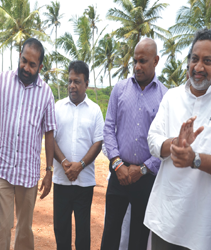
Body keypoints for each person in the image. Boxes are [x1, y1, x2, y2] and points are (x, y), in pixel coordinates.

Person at [0, 38, 57, 250]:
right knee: (0, 231)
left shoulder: (46, 93)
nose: (26, 67)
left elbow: (49, 133)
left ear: (40, 66)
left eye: (32, 64)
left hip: (28, 175)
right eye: (24, 61)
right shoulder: (2, 81)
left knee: (24, 232)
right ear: (20, 56)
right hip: (1, 172)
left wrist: (49, 171)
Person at [144, 28, 211, 250]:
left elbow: (195, 159)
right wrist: (173, 144)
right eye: (194, 59)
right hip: (165, 220)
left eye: (207, 61)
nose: (199, 67)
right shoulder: (172, 97)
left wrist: (195, 159)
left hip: (202, 228)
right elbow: (153, 139)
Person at [101, 38, 168, 250]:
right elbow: (108, 128)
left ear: (156, 60)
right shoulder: (119, 89)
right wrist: (118, 164)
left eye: (143, 61)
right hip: (118, 173)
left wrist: (143, 168)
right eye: (135, 61)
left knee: (139, 238)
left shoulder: (165, 97)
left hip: (146, 178)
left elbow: (165, 142)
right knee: (110, 231)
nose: (137, 66)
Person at [53, 60, 104, 250]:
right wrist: (65, 162)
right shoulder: (57, 107)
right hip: (61, 179)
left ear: (86, 84)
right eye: (70, 81)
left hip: (84, 183)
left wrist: (80, 165)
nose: (72, 86)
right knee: (61, 230)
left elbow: (98, 142)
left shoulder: (95, 110)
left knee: (83, 233)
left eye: (77, 81)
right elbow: (51, 139)